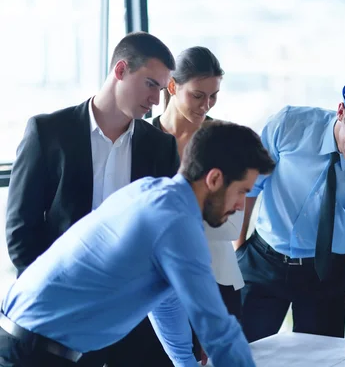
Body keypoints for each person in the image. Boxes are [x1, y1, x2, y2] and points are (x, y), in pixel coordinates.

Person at [0, 121, 275, 367]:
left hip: (22, 339)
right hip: (34, 353)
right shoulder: (177, 224)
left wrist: (185, 363)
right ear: (214, 179)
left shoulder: (150, 192)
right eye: (241, 191)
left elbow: (164, 301)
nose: (241, 205)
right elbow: (218, 330)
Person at [5, 32, 180, 366]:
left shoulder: (161, 147)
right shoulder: (48, 133)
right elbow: (20, 229)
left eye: (162, 89)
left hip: (132, 322)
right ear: (120, 70)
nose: (157, 100)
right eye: (151, 85)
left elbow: (164, 236)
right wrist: (53, 299)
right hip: (60, 321)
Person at [235, 67, 345, 367]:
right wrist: (238, 245)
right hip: (263, 263)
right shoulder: (289, 125)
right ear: (341, 110)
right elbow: (249, 185)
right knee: (234, 357)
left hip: (325, 274)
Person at [149, 46, 244, 319]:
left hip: (215, 280)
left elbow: (231, 226)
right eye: (197, 95)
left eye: (213, 96)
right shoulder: (142, 139)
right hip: (154, 284)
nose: (206, 105)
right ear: (171, 86)